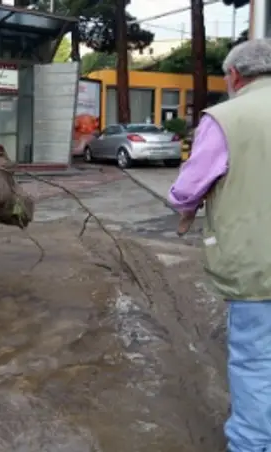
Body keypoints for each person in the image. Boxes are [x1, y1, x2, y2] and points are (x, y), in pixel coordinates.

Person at [167, 38, 271, 452]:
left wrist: (184, 203)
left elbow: (186, 189)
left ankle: (251, 445)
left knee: (254, 362)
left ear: (234, 75)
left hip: (257, 265)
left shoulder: (226, 118)